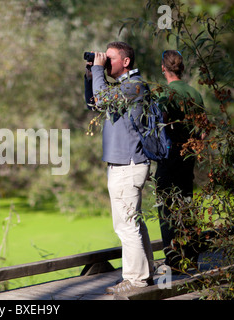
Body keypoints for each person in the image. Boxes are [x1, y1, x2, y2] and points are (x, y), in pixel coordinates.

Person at [84, 42, 154, 294]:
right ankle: (146, 274)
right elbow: (94, 103)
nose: (106, 62)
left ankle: (136, 280)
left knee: (126, 226)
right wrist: (92, 75)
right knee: (133, 223)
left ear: (126, 62)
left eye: (110, 58)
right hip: (123, 165)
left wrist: (100, 72)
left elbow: (102, 100)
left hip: (127, 165)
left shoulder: (134, 86)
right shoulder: (123, 88)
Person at [155, 50, 205, 271]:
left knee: (167, 209)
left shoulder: (165, 94)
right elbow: (203, 131)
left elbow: (161, 127)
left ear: (163, 68)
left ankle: (173, 261)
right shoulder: (195, 93)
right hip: (189, 158)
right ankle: (192, 258)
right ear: (181, 68)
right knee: (186, 206)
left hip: (169, 157)